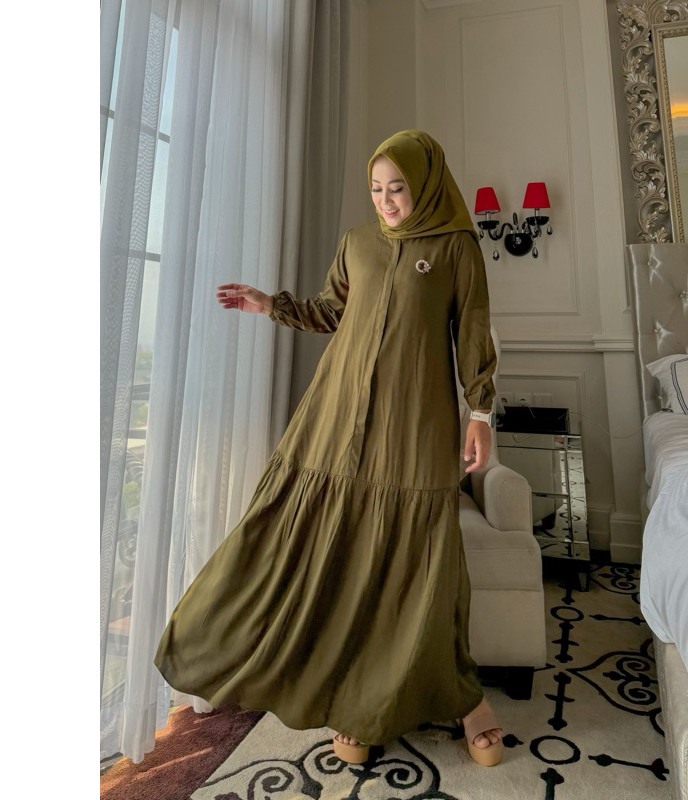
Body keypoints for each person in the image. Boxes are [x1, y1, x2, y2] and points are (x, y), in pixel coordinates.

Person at [154, 129, 505, 767]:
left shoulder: (455, 246)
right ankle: (354, 701)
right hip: (337, 415)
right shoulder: (357, 243)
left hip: (416, 423)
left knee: (418, 558)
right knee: (331, 545)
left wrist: (479, 413)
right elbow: (331, 312)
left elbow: (474, 331)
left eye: (398, 188)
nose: (386, 201)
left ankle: (462, 698)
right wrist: (270, 305)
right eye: (376, 189)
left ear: (426, 185)